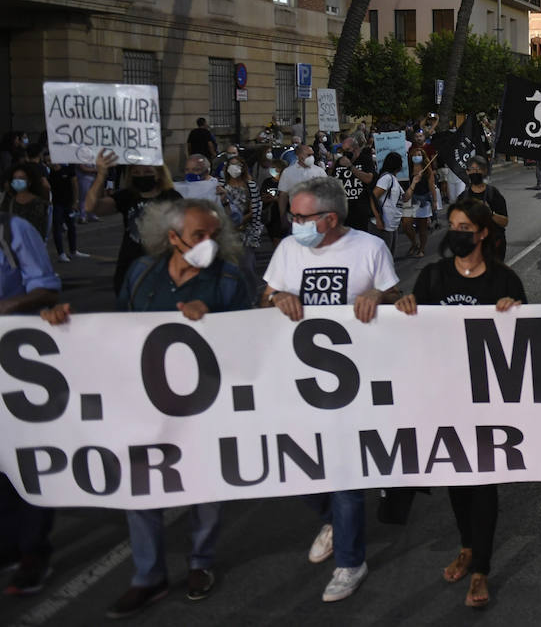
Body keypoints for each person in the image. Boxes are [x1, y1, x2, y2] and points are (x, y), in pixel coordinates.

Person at [41, 200, 253, 616]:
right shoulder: (141, 274)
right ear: (171, 237)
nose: (208, 243)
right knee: (140, 489)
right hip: (145, 402)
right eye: (198, 236)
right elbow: (118, 328)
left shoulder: (228, 276)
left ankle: (200, 562)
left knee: (206, 486)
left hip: (205, 403)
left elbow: (250, 337)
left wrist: (213, 320)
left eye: (214, 234)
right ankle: (147, 577)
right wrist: (64, 325)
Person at [261, 176, 401, 604]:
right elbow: (267, 291)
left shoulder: (369, 248)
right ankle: (333, 520)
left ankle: (349, 561)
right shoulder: (288, 250)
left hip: (353, 383)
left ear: (330, 219)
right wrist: (274, 300)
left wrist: (378, 295)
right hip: (299, 382)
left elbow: (397, 298)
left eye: (301, 216)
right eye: (293, 214)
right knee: (297, 468)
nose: (293, 221)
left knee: (343, 473)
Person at [396, 198, 525, 610]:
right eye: (452, 224)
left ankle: (481, 569)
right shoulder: (432, 278)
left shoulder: (504, 281)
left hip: (488, 401)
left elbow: (530, 342)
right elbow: (414, 331)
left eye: (465, 226)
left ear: (483, 232)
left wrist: (517, 313)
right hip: (444, 396)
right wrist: (404, 310)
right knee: (457, 477)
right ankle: (467, 546)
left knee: (483, 481)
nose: (457, 232)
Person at [0, 207, 62, 597]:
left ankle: (33, 552)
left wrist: (4, 308)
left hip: (16, 362)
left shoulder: (14, 229)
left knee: (26, 459)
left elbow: (46, 287)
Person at [84, 151, 182, 292]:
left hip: (163, 264)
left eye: (147, 171)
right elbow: (91, 207)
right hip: (130, 264)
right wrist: (101, 175)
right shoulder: (127, 196)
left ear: (159, 174)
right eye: (136, 172)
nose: (141, 176)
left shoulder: (172, 197)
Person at [220, 150, 264, 275]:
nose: (235, 168)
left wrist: (243, 221)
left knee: (246, 267)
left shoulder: (250, 186)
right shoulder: (221, 186)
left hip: (247, 232)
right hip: (227, 233)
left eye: (238, 165)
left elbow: (255, 210)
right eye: (232, 165)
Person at [463, 156, 509, 261]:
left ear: (485, 172)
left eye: (479, 169)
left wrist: (489, 213)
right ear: (467, 172)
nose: (475, 172)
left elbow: (505, 222)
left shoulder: (493, 194)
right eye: (473, 169)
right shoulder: (463, 198)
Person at [2, 162, 51, 252]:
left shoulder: (38, 203)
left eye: (21, 178)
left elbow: (40, 231)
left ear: (29, 181)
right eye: (15, 178)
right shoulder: (8, 202)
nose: (17, 181)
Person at [399, 150, 439, 258]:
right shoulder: (407, 170)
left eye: (419, 155)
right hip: (409, 199)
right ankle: (414, 243)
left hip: (423, 200)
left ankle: (421, 249)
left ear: (423, 156)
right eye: (414, 155)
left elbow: (431, 187)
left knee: (422, 227)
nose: (416, 156)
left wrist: (434, 201)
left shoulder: (427, 170)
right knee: (406, 224)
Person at [331, 137, 376, 232]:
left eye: (347, 150)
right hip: (343, 210)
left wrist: (350, 166)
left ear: (356, 148)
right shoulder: (340, 162)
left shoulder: (365, 160)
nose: (345, 153)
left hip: (360, 210)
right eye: (343, 150)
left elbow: (368, 179)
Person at [370, 151, 405, 255]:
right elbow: (373, 197)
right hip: (382, 225)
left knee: (389, 256)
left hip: (391, 225)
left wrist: (415, 182)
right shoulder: (387, 178)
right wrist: (378, 218)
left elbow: (405, 197)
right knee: (384, 257)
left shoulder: (393, 179)